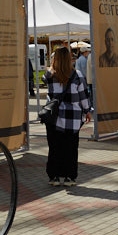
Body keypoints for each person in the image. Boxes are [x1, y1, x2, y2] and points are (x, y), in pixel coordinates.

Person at [43, 45, 91, 187]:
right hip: (73, 118)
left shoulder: (49, 75)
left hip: (54, 117)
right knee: (70, 148)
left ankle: (54, 177)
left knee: (54, 148)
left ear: (55, 59)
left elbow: (46, 85)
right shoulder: (77, 75)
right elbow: (83, 96)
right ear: (70, 59)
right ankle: (70, 177)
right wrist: (87, 110)